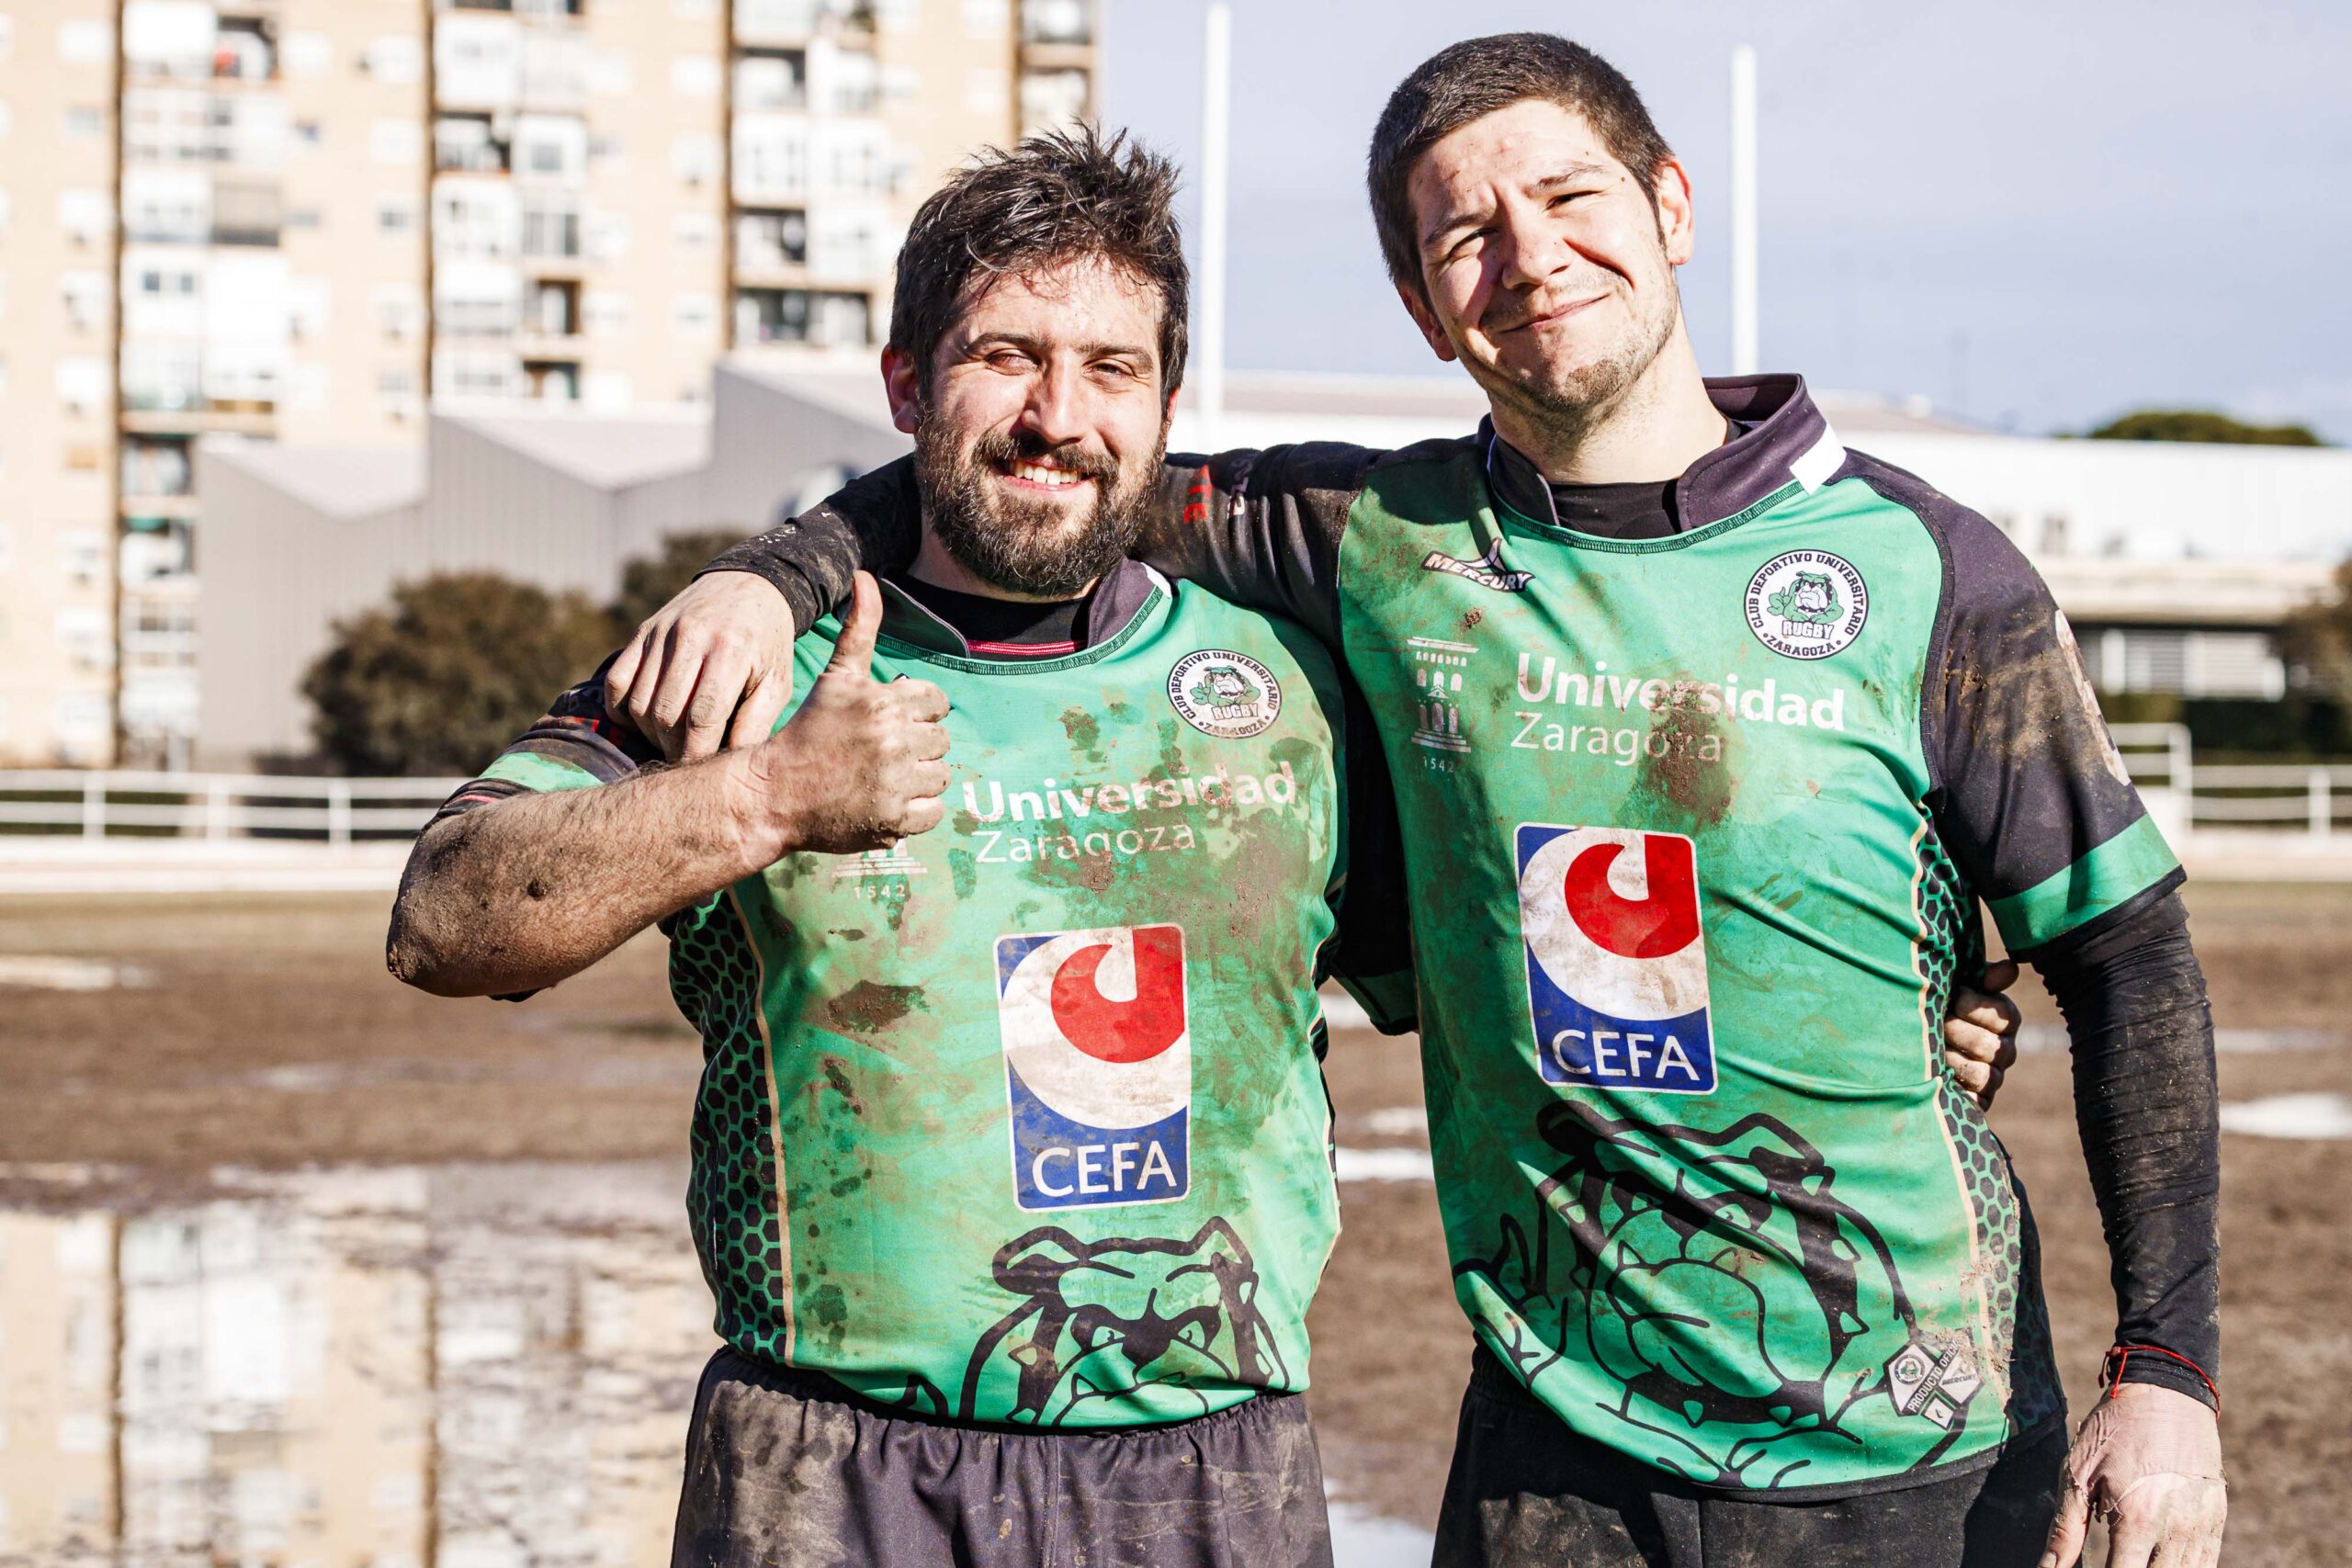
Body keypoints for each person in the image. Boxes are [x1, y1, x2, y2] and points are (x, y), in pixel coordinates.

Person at [615, 34, 2223, 1568]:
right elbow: (1030, 460)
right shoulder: (1365, 533)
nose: (1528, 254)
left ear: (1669, 204)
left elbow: (2131, 961)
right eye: (1467, 232)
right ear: (1420, 301)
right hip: (1551, 1445)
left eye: (1570, 199)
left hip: (1910, 1452)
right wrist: (781, 572)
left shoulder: (1927, 571)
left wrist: (2168, 1372)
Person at [389, 130, 1418, 1568]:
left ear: (1166, 405)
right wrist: (768, 799)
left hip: (1215, 1472)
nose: (1058, 412)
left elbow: (1475, 997)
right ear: (905, 386)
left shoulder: (1291, 693)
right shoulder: (750, 673)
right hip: (833, 1469)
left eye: (1112, 368)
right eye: (1005, 356)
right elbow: (445, 916)